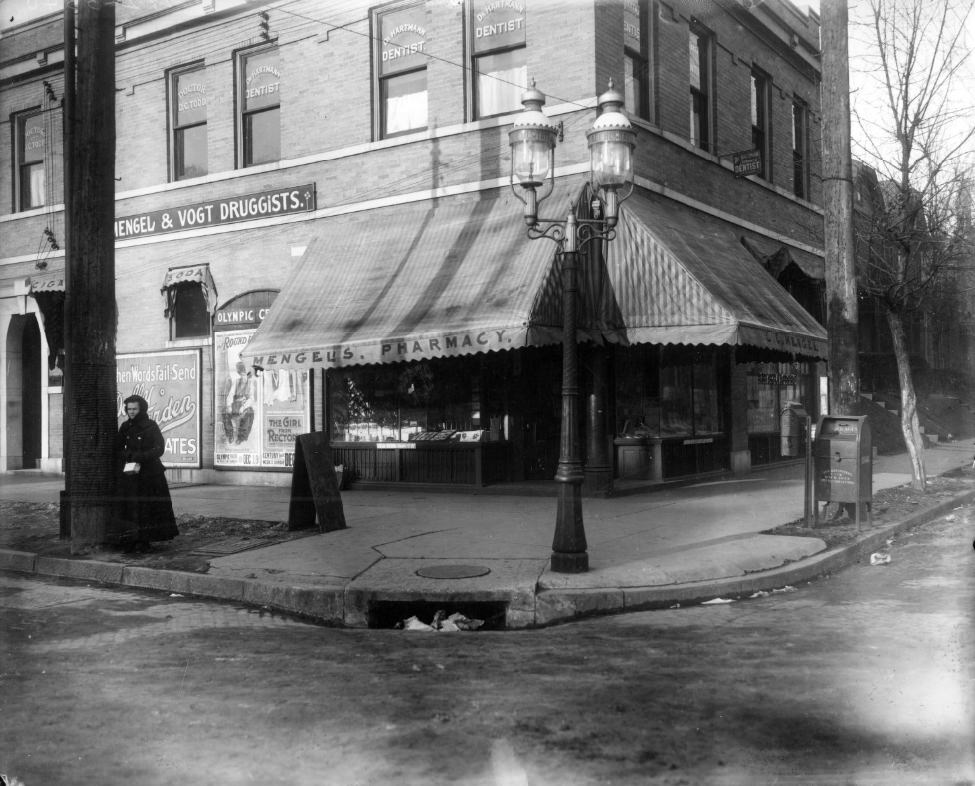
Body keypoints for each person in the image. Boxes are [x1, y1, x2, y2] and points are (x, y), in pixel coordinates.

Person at [110, 394, 179, 551]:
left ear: (142, 409)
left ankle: (145, 540)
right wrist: (128, 456)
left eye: (135, 409)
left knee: (148, 508)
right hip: (131, 475)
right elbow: (118, 448)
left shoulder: (151, 426)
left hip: (150, 475)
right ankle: (132, 539)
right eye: (129, 409)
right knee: (132, 507)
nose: (131, 412)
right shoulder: (125, 427)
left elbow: (159, 448)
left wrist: (142, 457)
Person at [222, 361, 257, 445]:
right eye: (242, 375)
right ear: (240, 374)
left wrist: (244, 407)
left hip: (245, 406)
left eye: (245, 375)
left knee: (249, 413)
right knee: (225, 411)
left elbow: (251, 399)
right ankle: (230, 435)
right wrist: (229, 405)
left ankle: (241, 437)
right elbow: (230, 395)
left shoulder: (251, 384)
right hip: (236, 405)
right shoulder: (236, 382)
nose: (243, 377)